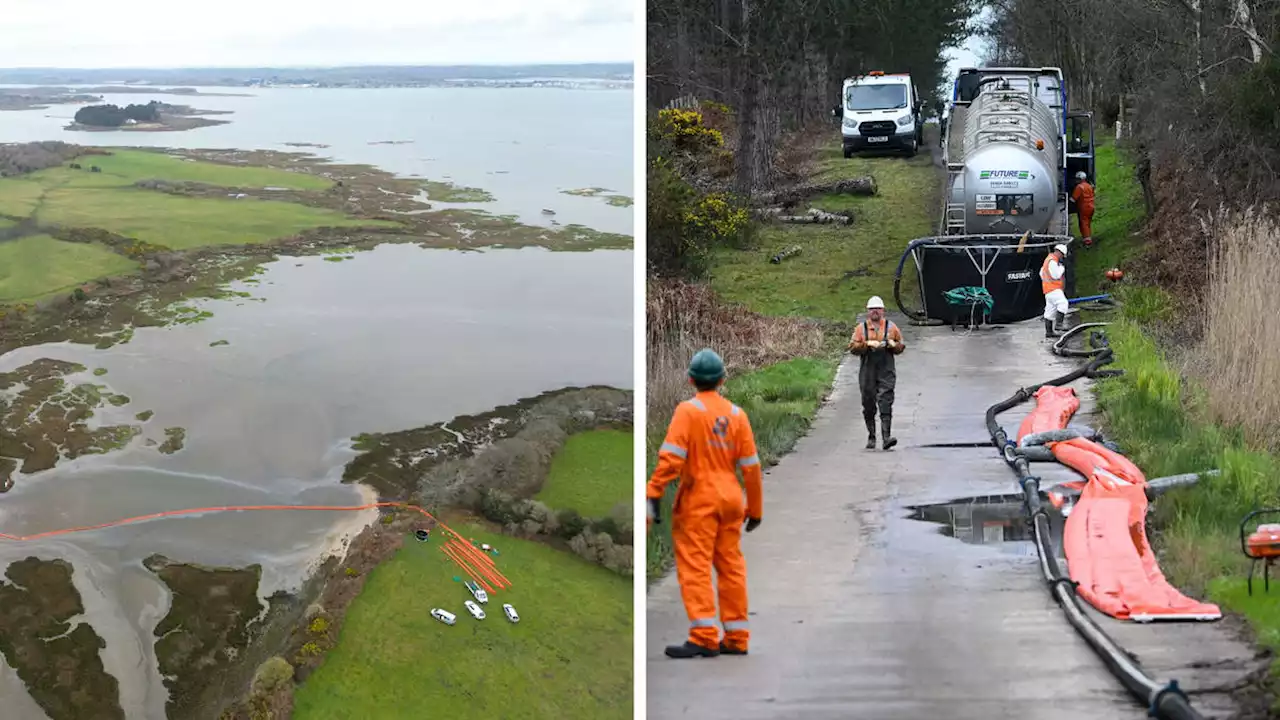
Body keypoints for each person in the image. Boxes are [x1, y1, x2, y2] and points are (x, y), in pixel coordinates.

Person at [647, 348, 763, 659]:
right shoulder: (738, 416)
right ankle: (737, 637)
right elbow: (751, 467)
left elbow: (671, 459)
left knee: (695, 566)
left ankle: (704, 636)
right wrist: (755, 508)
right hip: (730, 498)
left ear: (690, 380)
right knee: (731, 567)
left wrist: (653, 492)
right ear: (723, 379)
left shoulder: (688, 412)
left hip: (699, 498)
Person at [847, 296, 905, 450]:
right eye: (872, 309)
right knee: (868, 402)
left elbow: (901, 347)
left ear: (883, 311)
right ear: (868, 311)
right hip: (867, 370)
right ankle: (871, 436)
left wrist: (894, 345)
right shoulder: (861, 329)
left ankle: (886, 437)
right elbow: (852, 348)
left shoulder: (892, 327)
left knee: (886, 400)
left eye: (878, 309)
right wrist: (865, 344)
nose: (875, 312)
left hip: (886, 369)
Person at [1041, 243, 1070, 338]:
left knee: (1050, 311)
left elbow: (1041, 273)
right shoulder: (1053, 262)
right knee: (1063, 303)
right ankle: (1059, 325)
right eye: (1062, 255)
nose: (1062, 257)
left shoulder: (1048, 260)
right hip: (1054, 289)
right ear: (1060, 253)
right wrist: (1062, 268)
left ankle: (1049, 332)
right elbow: (1056, 275)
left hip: (1047, 290)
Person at [1071, 171, 1095, 246]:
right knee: (1087, 223)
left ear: (1080, 179)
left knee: (1084, 223)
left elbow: (1073, 199)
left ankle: (1087, 241)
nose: (1076, 181)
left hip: (1084, 207)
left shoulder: (1079, 187)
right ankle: (1087, 237)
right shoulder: (1089, 186)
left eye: (1077, 179)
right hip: (1091, 207)